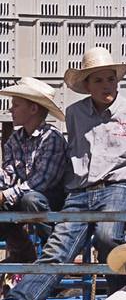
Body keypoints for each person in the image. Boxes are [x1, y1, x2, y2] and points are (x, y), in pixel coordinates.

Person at [2, 49, 126, 300]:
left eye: (110, 79)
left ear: (117, 81)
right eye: (99, 80)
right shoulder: (75, 114)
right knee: (56, 251)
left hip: (118, 186)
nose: (106, 85)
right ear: (88, 86)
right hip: (79, 192)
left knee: (107, 237)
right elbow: (73, 156)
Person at [0, 78, 68, 262]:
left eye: (16, 105)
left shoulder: (52, 138)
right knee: (21, 200)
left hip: (50, 198)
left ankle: (55, 252)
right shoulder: (15, 140)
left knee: (31, 199)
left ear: (33, 109)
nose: (10, 109)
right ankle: (22, 250)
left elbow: (42, 182)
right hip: (25, 195)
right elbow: (8, 175)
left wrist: (5, 195)